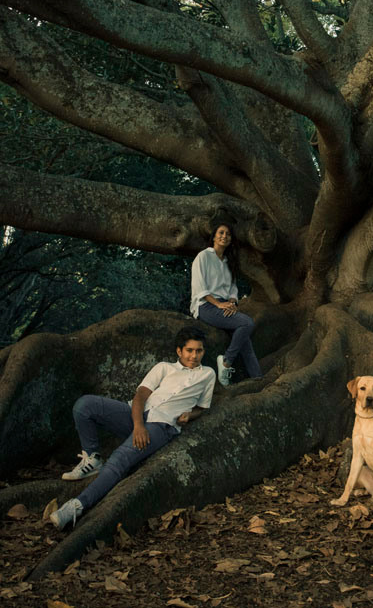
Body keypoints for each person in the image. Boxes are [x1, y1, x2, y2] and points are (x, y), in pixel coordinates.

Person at [50, 326, 216, 530]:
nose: (194, 355)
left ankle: (77, 506)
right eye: (189, 350)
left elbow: (202, 407)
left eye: (199, 351)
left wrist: (190, 415)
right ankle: (92, 458)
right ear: (179, 351)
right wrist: (138, 426)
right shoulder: (164, 367)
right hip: (135, 414)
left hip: (161, 425)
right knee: (85, 405)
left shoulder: (207, 374)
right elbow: (141, 396)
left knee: (119, 459)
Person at [190, 220, 262, 385]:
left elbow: (232, 288)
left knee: (245, 341)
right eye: (221, 232)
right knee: (247, 323)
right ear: (214, 236)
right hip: (206, 306)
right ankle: (226, 362)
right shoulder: (204, 256)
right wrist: (218, 304)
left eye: (228, 234)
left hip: (224, 305)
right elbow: (200, 287)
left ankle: (258, 380)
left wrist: (230, 301)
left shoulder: (228, 262)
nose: (224, 236)